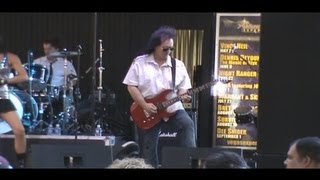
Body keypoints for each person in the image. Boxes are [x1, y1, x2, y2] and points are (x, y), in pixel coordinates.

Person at [123, 25, 196, 167]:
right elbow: (131, 86)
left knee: (188, 125)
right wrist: (144, 105)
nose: (168, 52)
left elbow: (183, 89)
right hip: (149, 109)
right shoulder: (140, 63)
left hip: (173, 108)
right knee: (148, 147)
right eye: (165, 49)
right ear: (155, 46)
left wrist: (185, 95)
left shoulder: (178, 65)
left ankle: (190, 161)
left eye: (171, 49)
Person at [0, 35, 29, 168]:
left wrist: (6, 80)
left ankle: (21, 162)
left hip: (3, 98)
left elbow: (23, 76)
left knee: (19, 130)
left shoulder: (10, 57)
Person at [33, 37, 77, 123]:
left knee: (66, 98)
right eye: (45, 49)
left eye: (49, 49)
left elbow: (74, 79)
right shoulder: (37, 62)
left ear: (57, 49)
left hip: (59, 92)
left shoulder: (66, 63)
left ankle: (62, 123)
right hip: (41, 92)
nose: (47, 51)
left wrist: (67, 86)